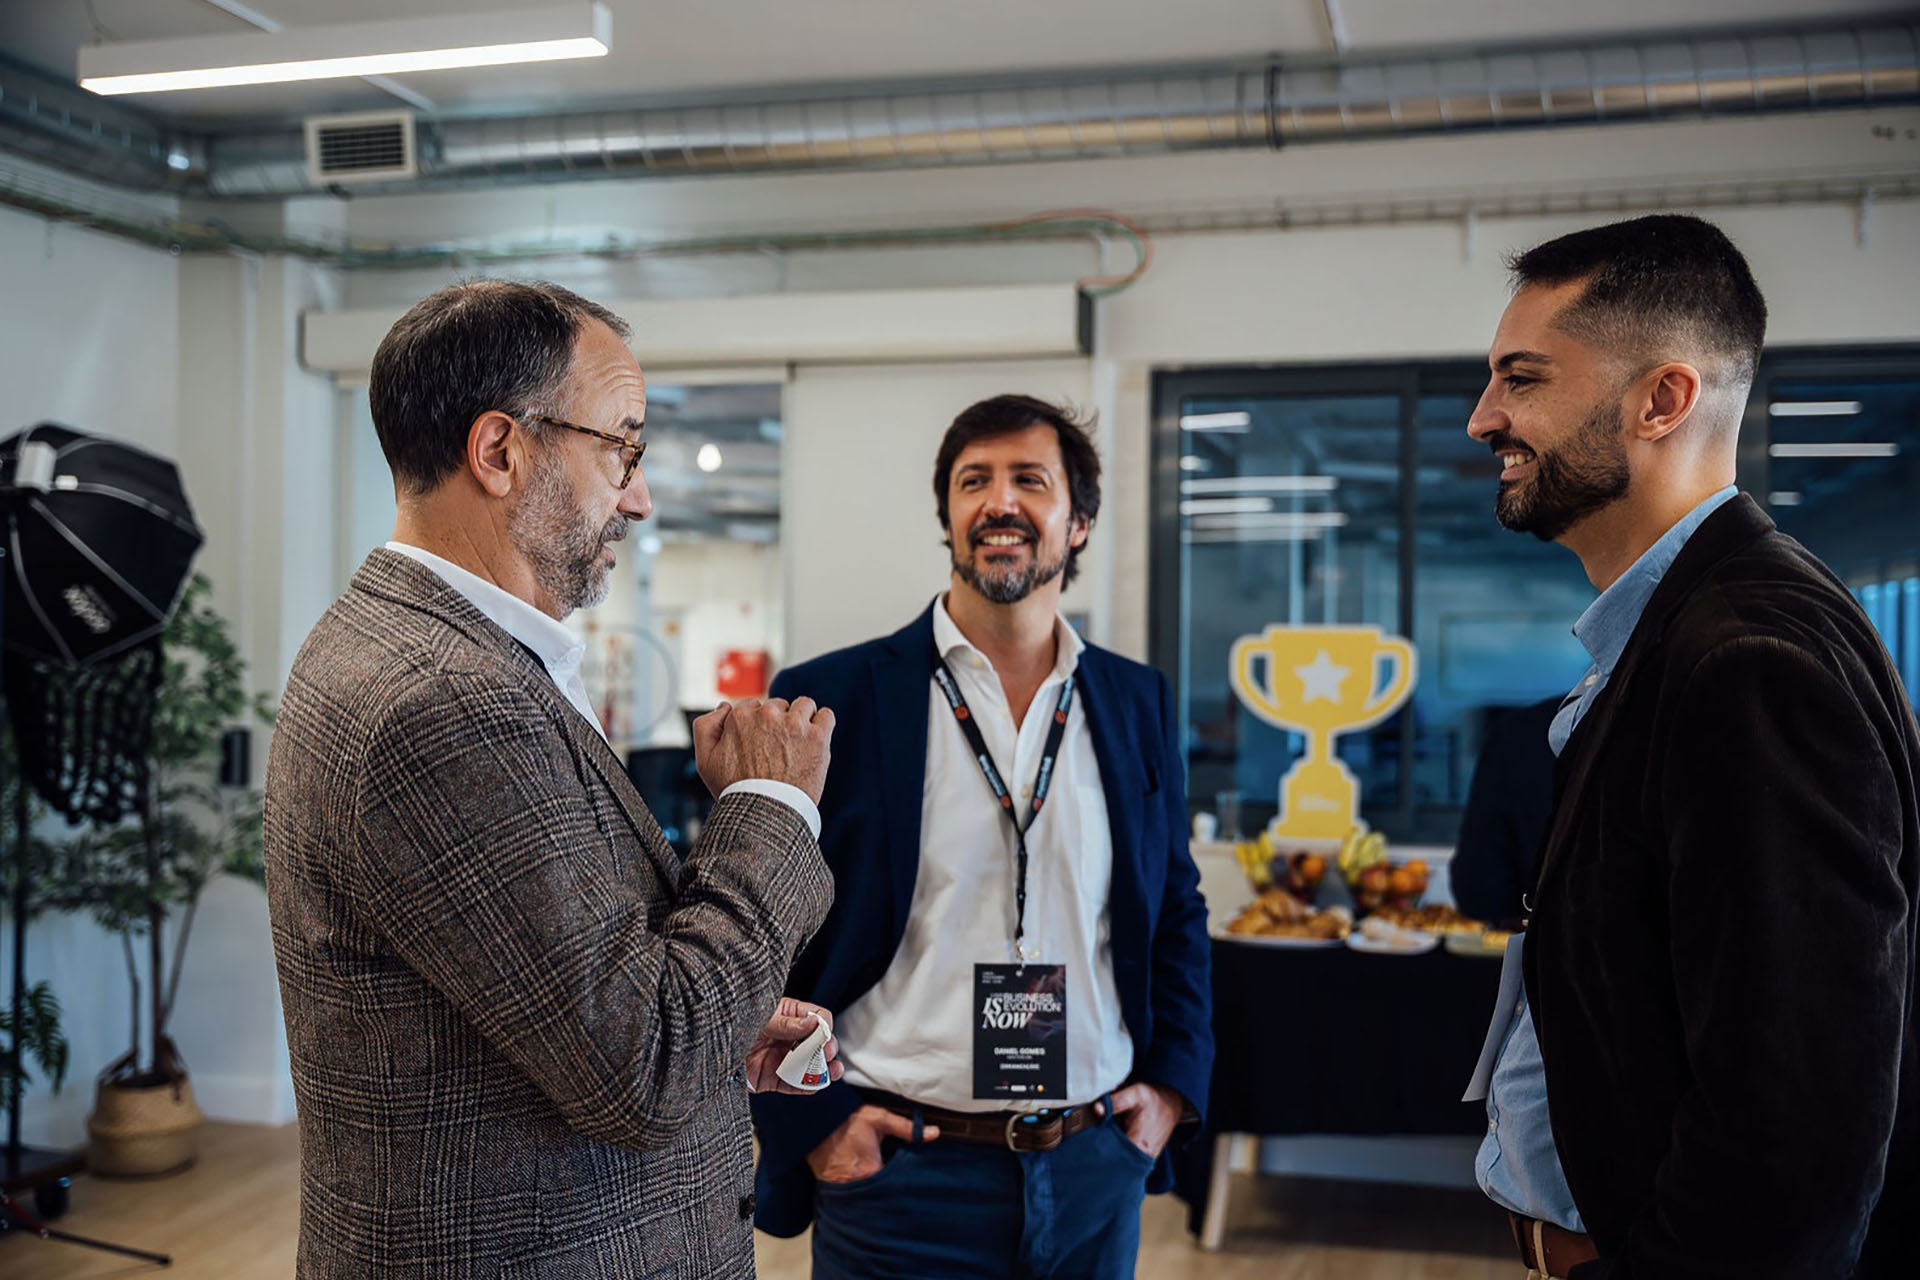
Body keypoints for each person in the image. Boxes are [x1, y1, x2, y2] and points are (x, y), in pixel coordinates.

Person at [264, 280, 841, 1279]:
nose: (639, 497)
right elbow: (648, 1067)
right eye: (622, 448)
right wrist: (769, 803)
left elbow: (557, 994)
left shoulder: (422, 649)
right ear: (501, 451)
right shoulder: (445, 700)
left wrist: (726, 1020)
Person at [1464, 215, 1919, 1279]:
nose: (1485, 417)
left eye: (1522, 378)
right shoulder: (1689, 628)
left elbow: (1795, 1132)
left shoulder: (1749, 656)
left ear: (1663, 400)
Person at [749, 394, 1213, 1278]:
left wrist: (1169, 1092)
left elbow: (1175, 911)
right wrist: (816, 1127)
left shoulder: (1135, 700)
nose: (999, 502)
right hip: (898, 1175)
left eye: (1029, 480)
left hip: (1093, 1163)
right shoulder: (830, 699)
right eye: (974, 482)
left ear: (1078, 522)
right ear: (949, 519)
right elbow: (760, 923)